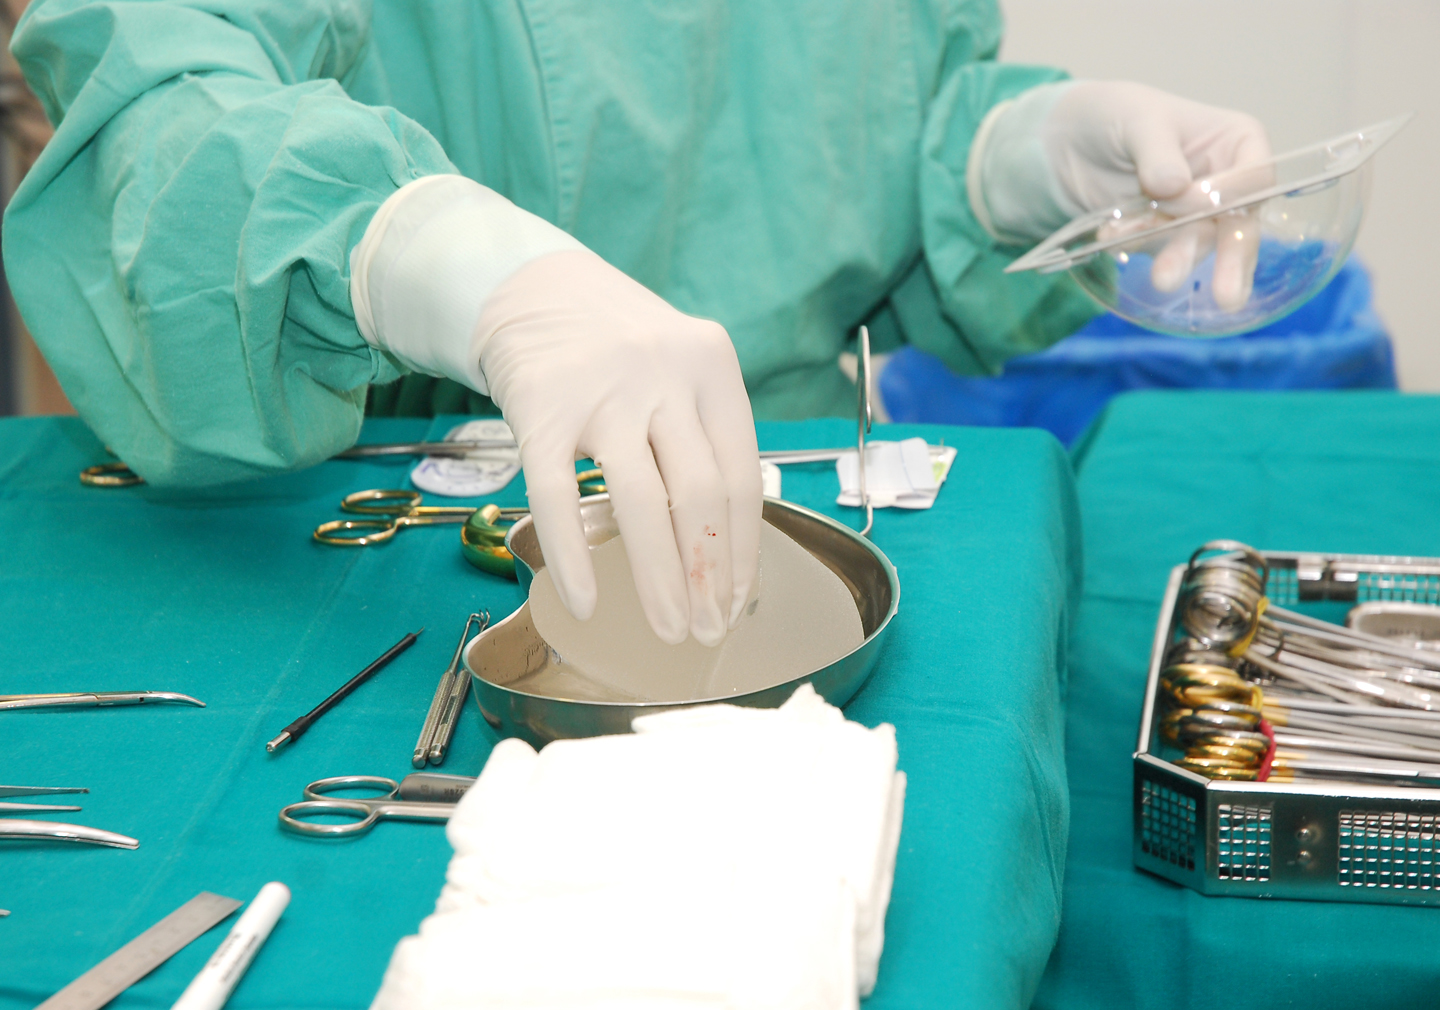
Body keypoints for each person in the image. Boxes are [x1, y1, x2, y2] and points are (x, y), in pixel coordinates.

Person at [3, 0, 1268, 646]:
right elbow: (162, 116)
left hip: (798, 502)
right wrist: (429, 258)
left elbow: (856, 109)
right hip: (402, 531)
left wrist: (1013, 159)